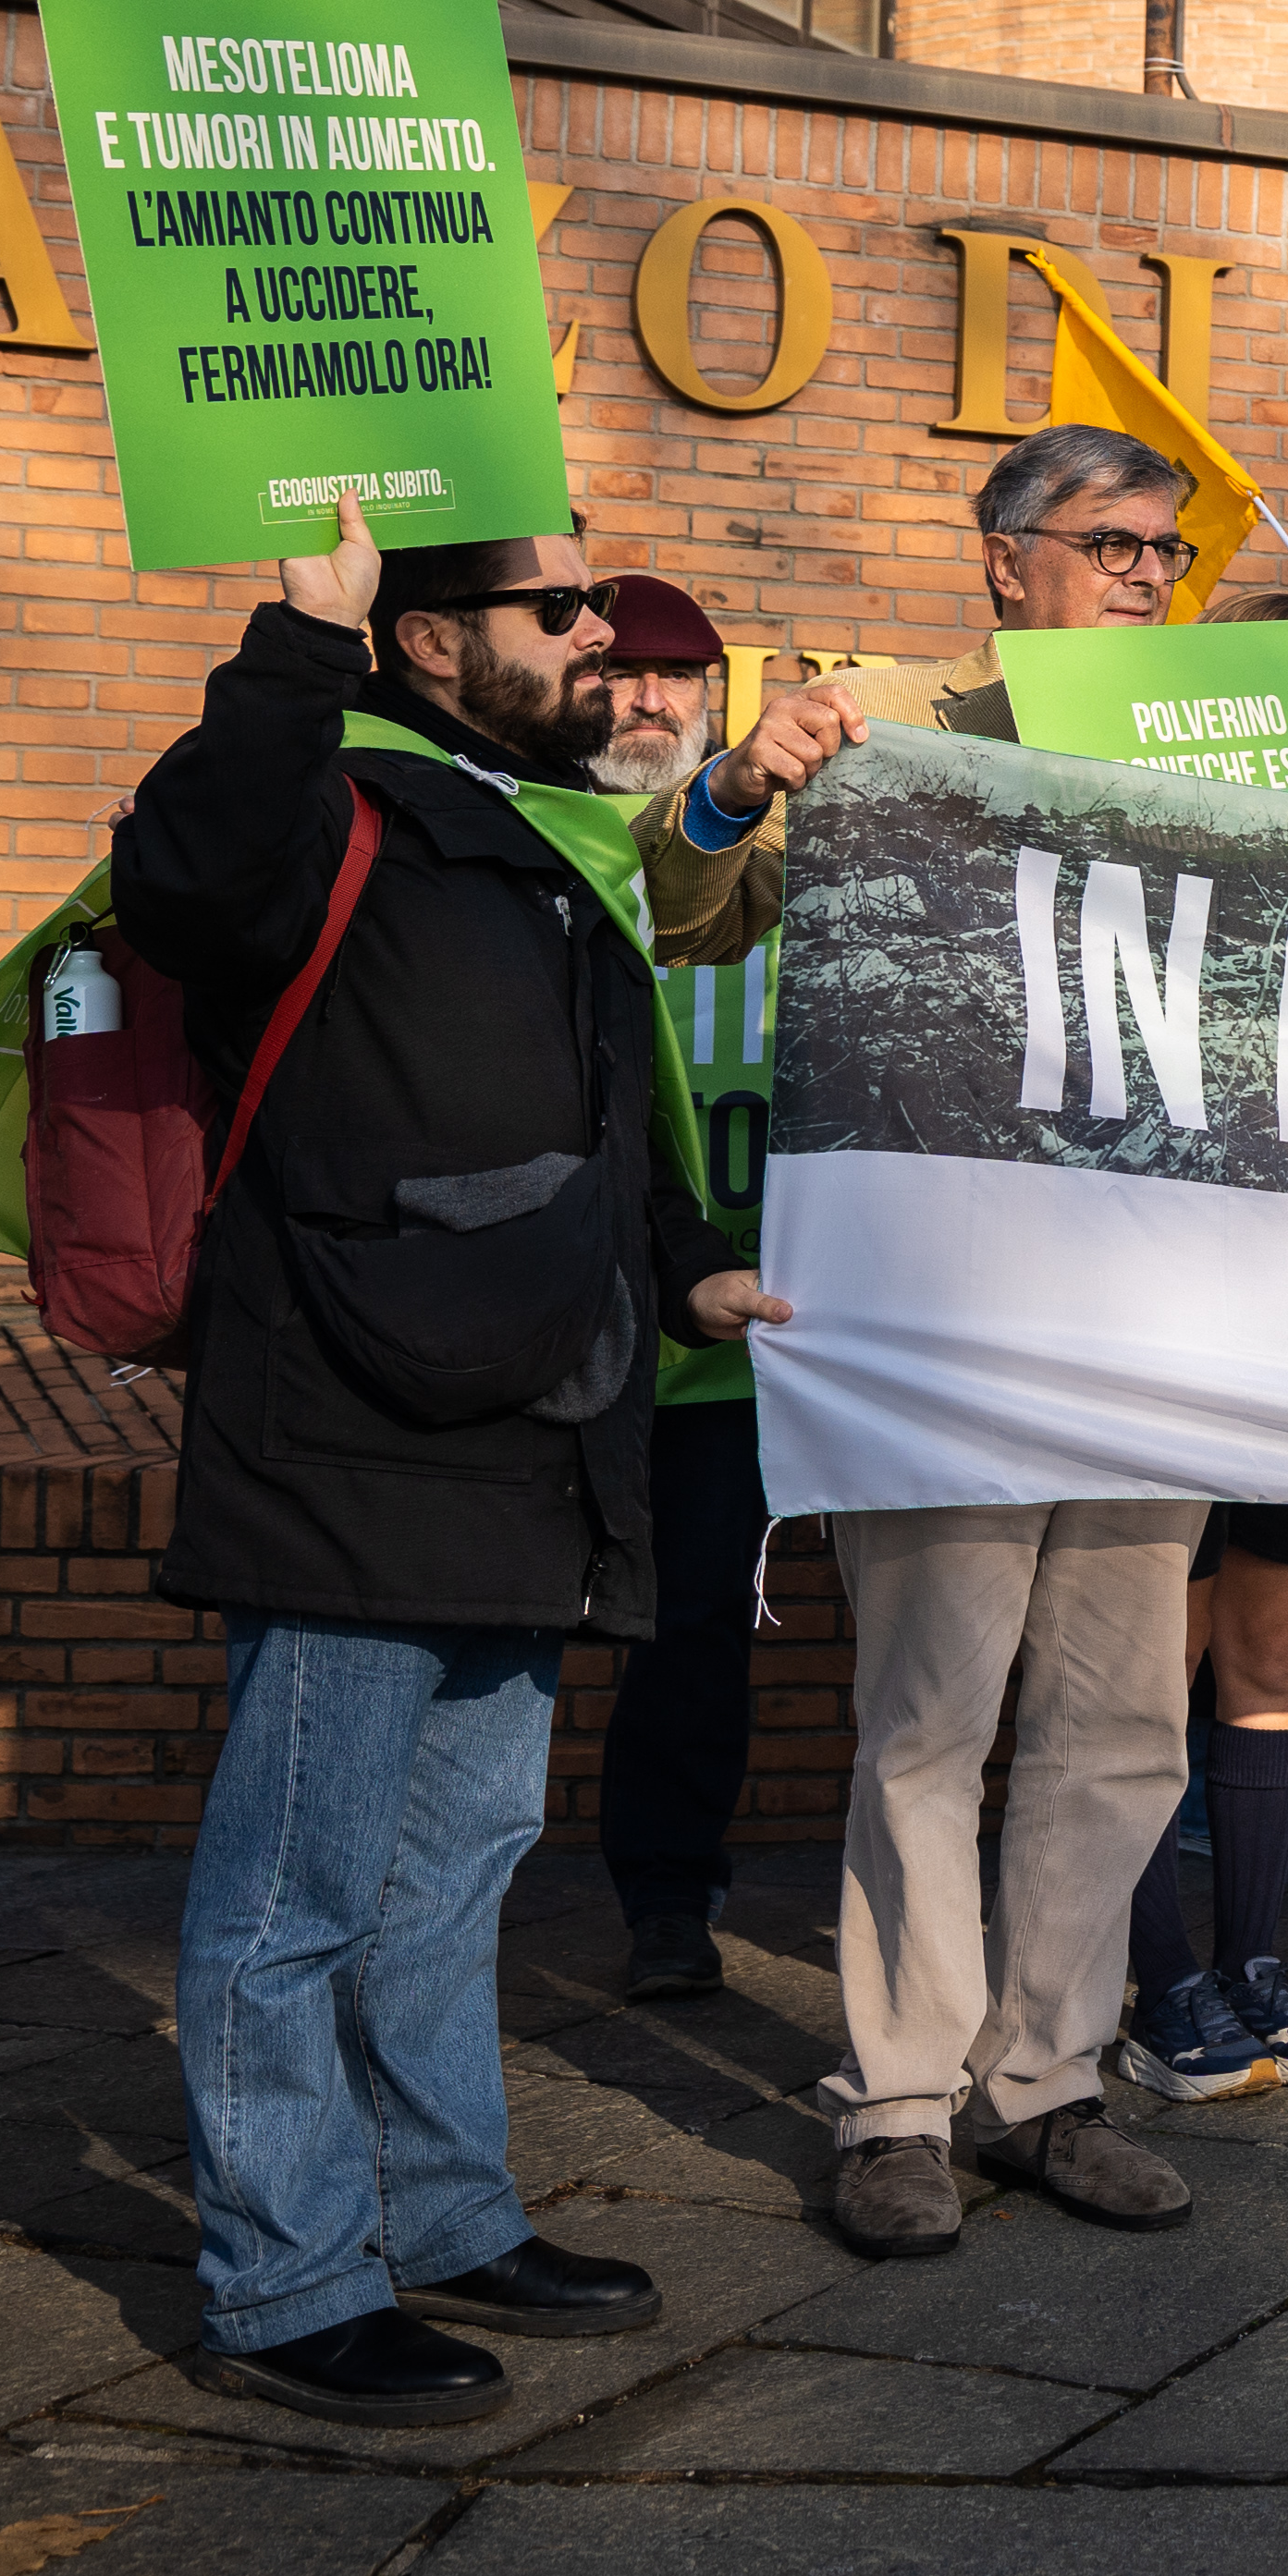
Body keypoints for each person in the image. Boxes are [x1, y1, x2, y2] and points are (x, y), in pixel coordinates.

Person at [117, 503, 785, 2429]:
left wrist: (688, 1266)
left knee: (452, 1870)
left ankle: (448, 2208)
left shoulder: (554, 831)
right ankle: (286, 2275)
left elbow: (602, 1112)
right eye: (557, 606)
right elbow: (183, 873)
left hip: (535, 1434)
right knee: (291, 1890)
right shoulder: (322, 795)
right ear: (425, 641)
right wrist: (290, 636)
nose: (601, 637)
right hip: (346, 1430)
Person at [641, 426, 1217, 2259]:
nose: (1146, 578)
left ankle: (1049, 2080)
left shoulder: (1226, 732)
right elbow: (672, 901)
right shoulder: (879, 715)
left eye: (1166, 554)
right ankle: (897, 2099)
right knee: (931, 1712)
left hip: (1159, 1315)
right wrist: (738, 782)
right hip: (945, 1311)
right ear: (1004, 563)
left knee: (1121, 1718)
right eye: (1115, 545)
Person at [556, 574, 783, 2004]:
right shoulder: (538, 833)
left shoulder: (767, 857)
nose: (652, 699)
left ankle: (665, 1898)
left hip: (732, 1329)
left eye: (681, 678)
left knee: (695, 1630)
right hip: (568, 1308)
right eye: (628, 674)